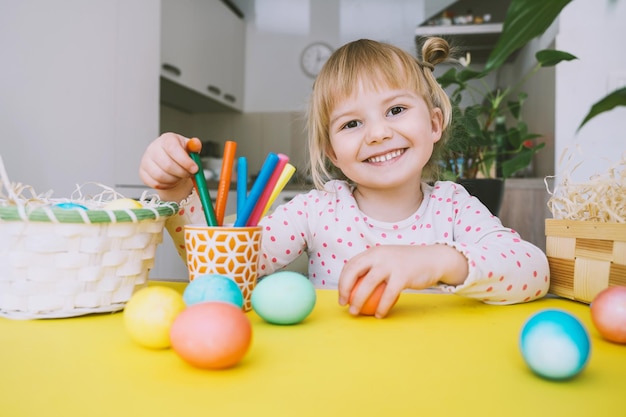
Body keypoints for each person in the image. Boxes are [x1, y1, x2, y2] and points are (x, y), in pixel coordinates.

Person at [139, 37, 550, 318]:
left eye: (395, 110)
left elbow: (534, 271)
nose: (377, 133)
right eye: (352, 123)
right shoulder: (317, 210)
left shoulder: (453, 206)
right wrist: (176, 191)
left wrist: (438, 260)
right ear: (333, 152)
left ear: (435, 123)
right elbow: (219, 273)